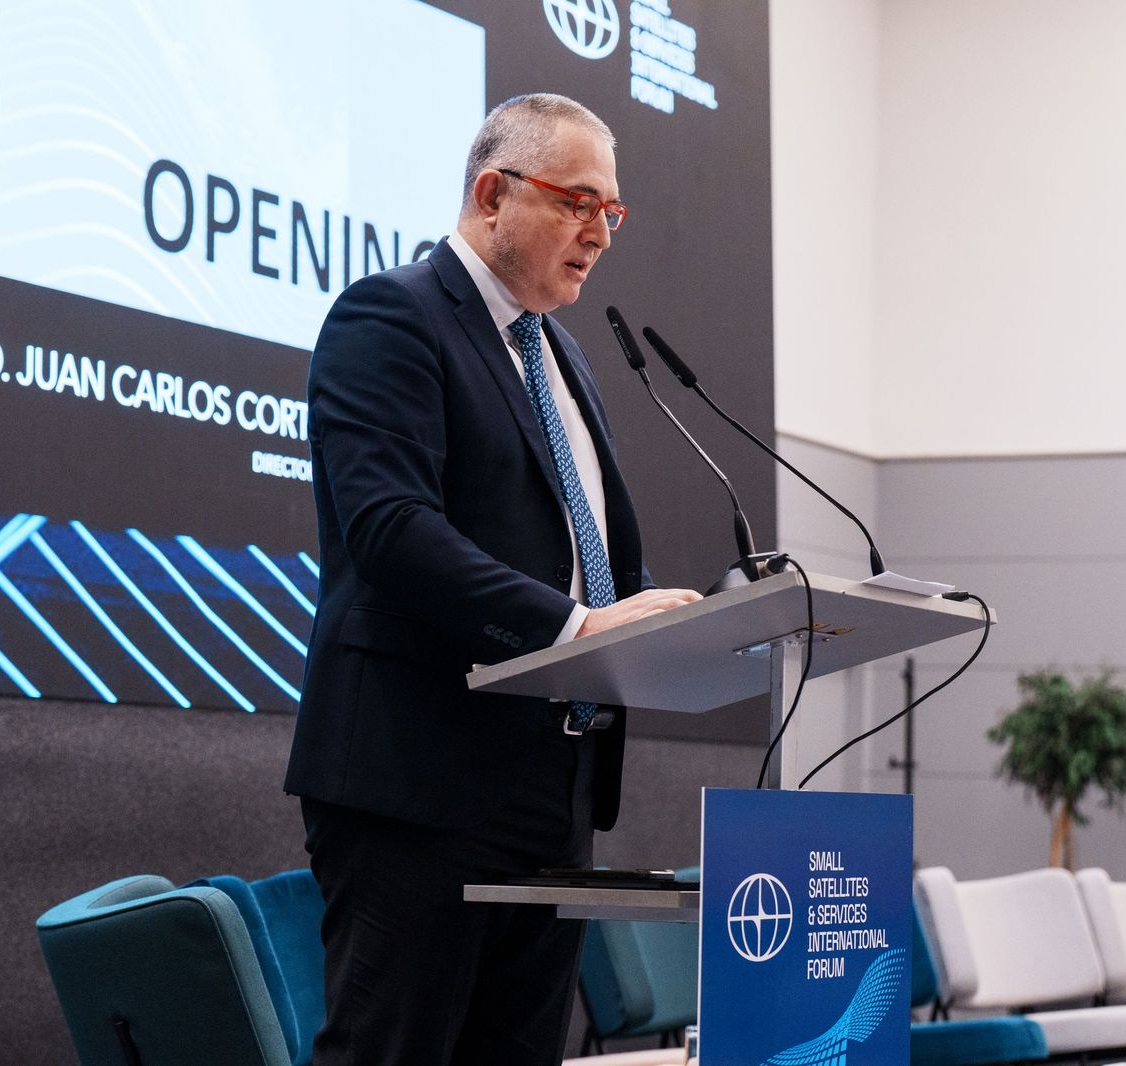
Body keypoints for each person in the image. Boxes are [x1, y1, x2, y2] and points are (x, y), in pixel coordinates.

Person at [285, 93, 701, 1065]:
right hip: (417, 775)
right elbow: (390, 529)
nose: (600, 231)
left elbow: (595, 559)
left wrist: (691, 622)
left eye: (614, 212)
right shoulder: (391, 316)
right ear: (490, 193)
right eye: (578, 201)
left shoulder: (560, 352)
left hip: (549, 788)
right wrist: (575, 628)